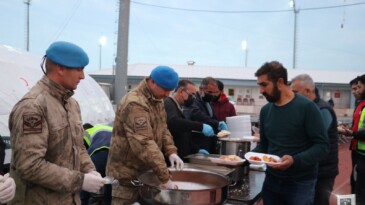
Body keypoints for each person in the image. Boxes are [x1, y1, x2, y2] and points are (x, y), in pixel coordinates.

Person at [8, 41, 104, 205]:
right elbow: (30, 166)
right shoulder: (33, 107)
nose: (82, 76)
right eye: (79, 69)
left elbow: (78, 147)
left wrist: (90, 170)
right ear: (60, 69)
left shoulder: (71, 105)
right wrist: (80, 180)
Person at [252, 61, 329, 205]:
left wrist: (295, 160)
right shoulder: (266, 111)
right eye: (259, 86)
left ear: (280, 82)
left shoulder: (307, 107)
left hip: (300, 183)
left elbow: (322, 146)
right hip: (271, 181)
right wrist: (241, 159)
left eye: (264, 85)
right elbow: (264, 146)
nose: (260, 91)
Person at [106, 65, 184, 204]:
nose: (167, 95)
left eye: (170, 91)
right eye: (165, 89)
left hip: (146, 172)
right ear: (152, 82)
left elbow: (163, 128)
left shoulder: (157, 100)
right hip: (127, 177)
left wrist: (171, 151)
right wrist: (165, 177)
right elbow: (144, 143)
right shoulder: (135, 103)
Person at [291, 74, 338, 205]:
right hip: (310, 167)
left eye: (295, 92)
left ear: (307, 91)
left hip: (323, 171)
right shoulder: (306, 108)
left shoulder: (322, 110)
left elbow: (311, 138)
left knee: (319, 201)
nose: (292, 96)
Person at [164, 80, 215, 160]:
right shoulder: (169, 103)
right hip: (171, 157)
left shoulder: (180, 107)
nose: (193, 98)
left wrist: (196, 149)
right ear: (181, 91)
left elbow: (183, 134)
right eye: (191, 95)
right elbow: (173, 122)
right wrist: (200, 126)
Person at [183, 77, 228, 154]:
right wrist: (216, 123)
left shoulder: (207, 102)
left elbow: (211, 117)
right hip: (196, 144)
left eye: (215, 92)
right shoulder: (193, 100)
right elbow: (197, 114)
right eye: (210, 92)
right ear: (201, 89)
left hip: (208, 144)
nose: (213, 95)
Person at [342, 74, 365, 204]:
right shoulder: (359, 104)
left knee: (360, 189)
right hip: (357, 151)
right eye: (353, 89)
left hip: (363, 154)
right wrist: (350, 129)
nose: (355, 91)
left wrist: (352, 133)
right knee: (355, 183)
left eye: (358, 87)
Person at [81, 123, 113, 205]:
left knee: (86, 179)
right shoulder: (106, 127)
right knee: (109, 182)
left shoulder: (86, 132)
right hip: (114, 155)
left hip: (99, 153)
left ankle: (83, 202)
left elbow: (82, 152)